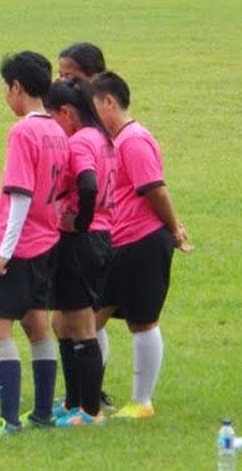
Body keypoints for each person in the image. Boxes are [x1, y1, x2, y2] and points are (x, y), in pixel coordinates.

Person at [0, 51, 68, 438]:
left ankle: (8, 420)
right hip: (47, 242)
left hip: (22, 245)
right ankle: (42, 413)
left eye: (6, 89)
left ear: (17, 87)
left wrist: (5, 251)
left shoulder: (24, 131)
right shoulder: (57, 130)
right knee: (37, 324)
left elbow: (20, 195)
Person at [90, 71, 190, 419]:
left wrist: (174, 228)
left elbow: (156, 189)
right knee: (90, 319)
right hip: (119, 242)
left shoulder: (133, 140)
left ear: (109, 102)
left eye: (94, 107)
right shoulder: (117, 140)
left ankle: (142, 401)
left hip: (141, 241)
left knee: (142, 321)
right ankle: (87, 396)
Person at [45, 77, 116, 426]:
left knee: (82, 325)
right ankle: (74, 402)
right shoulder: (103, 137)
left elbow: (87, 183)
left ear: (66, 112)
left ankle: (89, 411)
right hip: (101, 236)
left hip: (82, 240)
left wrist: (82, 222)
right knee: (63, 321)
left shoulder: (78, 143)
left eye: (52, 117)